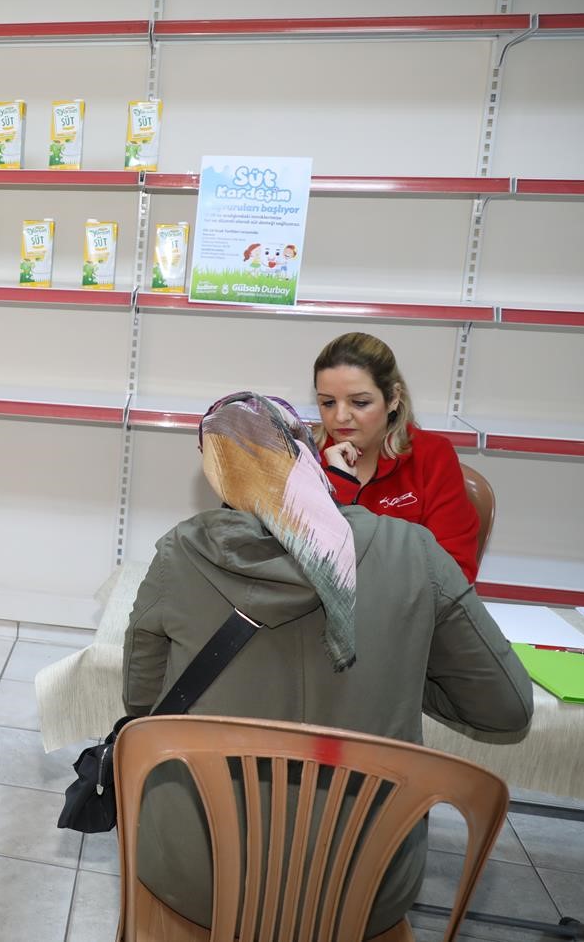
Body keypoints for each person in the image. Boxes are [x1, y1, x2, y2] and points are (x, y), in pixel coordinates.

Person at [122, 392, 532, 938]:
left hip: (198, 882)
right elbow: (505, 709)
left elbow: (143, 706)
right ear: (309, 458)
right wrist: (404, 668)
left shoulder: (180, 555)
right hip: (363, 896)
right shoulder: (415, 554)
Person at [314, 331, 483, 581]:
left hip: (406, 612)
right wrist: (338, 481)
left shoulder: (433, 456)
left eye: (359, 403)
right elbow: (302, 563)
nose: (340, 417)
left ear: (393, 398)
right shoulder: (302, 455)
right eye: (328, 403)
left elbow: (454, 572)